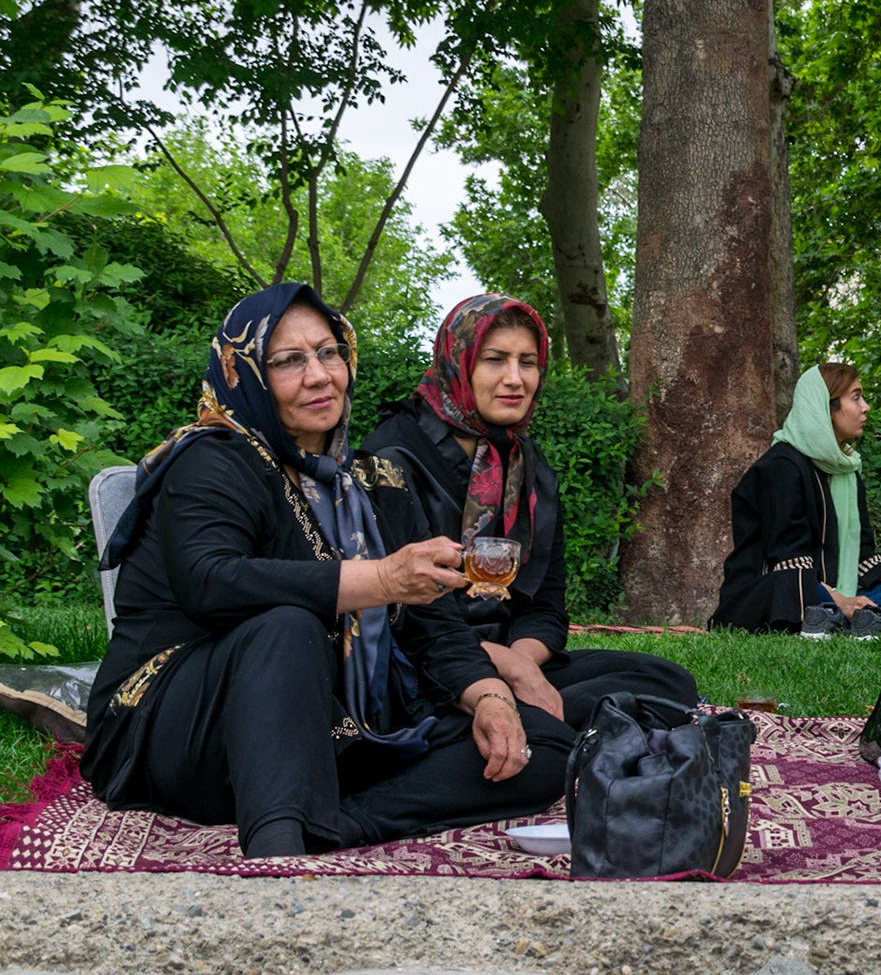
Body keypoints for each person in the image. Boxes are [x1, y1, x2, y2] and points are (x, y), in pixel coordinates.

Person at [84, 285, 571, 859]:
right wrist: (382, 581)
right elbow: (211, 584)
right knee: (285, 626)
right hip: (178, 726)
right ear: (246, 374)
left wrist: (490, 698)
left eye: (329, 353)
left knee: (543, 744)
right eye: (288, 361)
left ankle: (345, 824)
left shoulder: (377, 480)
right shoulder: (212, 460)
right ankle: (278, 854)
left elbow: (435, 627)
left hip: (328, 724)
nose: (319, 376)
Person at [363, 294, 699, 729]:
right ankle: (543, 731)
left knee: (666, 680)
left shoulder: (528, 466)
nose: (515, 379)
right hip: (426, 668)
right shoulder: (393, 457)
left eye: (527, 362)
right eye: (494, 360)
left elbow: (546, 604)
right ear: (458, 363)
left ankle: (539, 727)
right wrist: (504, 674)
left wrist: (522, 664)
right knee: (584, 720)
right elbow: (408, 620)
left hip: (509, 656)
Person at [712, 362, 881, 636]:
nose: (866, 407)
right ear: (825, 407)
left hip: (830, 594)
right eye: (856, 398)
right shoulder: (781, 466)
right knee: (794, 583)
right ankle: (861, 620)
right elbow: (787, 560)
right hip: (777, 590)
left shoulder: (848, 471)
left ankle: (841, 621)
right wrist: (839, 599)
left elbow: (865, 562)